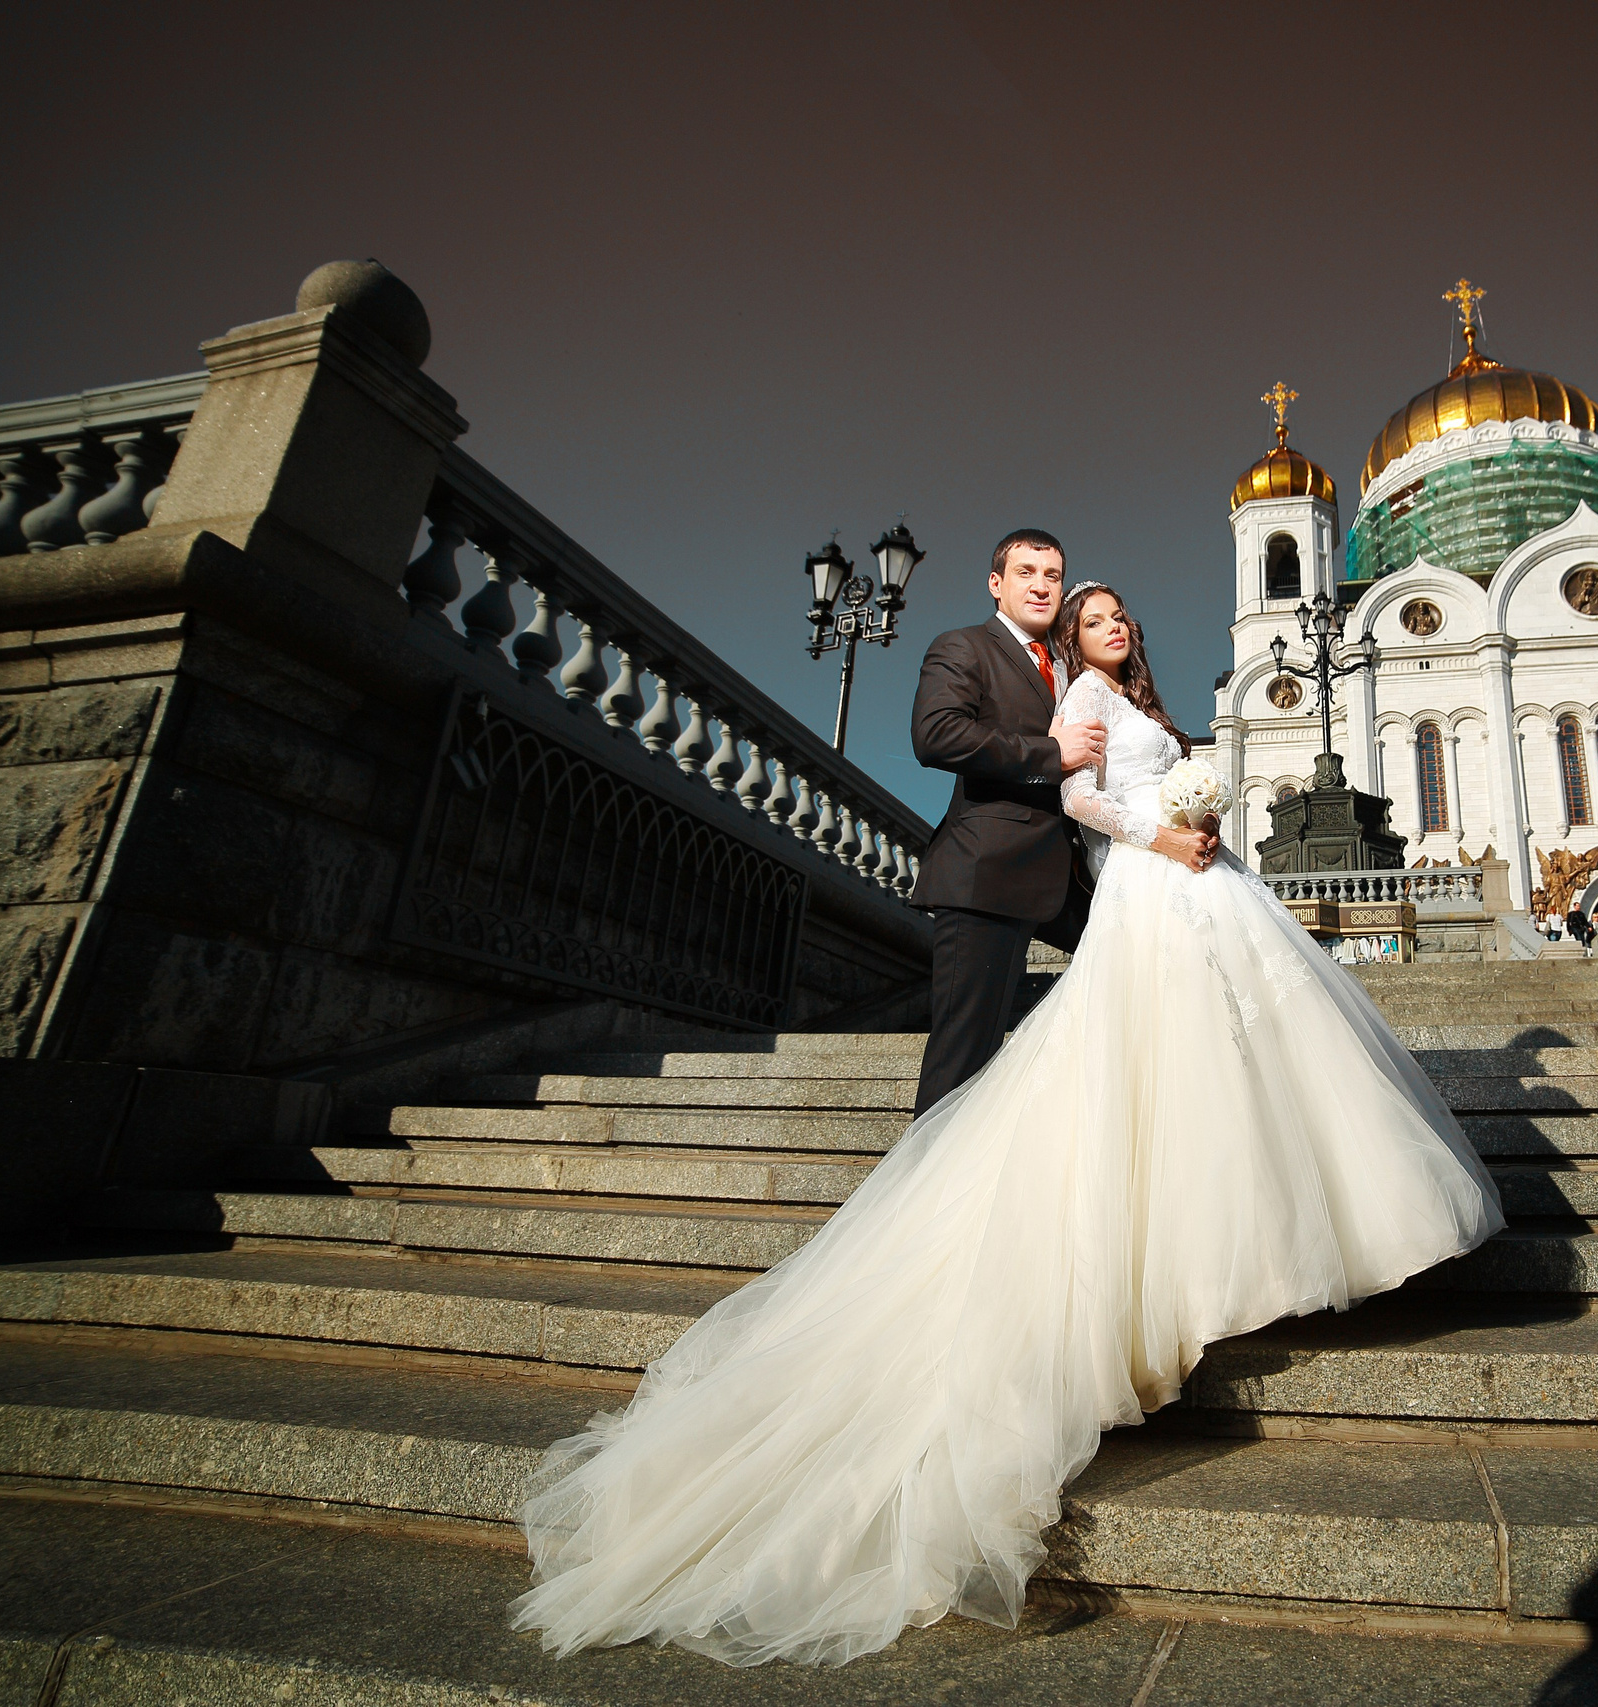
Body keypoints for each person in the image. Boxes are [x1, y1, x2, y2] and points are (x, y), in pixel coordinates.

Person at [509, 580, 1504, 1669]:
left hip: (1197, 885)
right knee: (1156, 1065)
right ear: (1068, 640)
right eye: (1092, 617)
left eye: (1123, 613)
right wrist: (1161, 837)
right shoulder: (1079, 693)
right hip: (1149, 885)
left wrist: (1197, 820)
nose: (1114, 625)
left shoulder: (1149, 703)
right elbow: (1078, 800)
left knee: (1240, 1057)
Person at [902, 528, 1104, 1115]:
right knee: (965, 1057)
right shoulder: (964, 647)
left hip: (1069, 876)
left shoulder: (1070, 666)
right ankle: (924, 1198)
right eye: (1026, 573)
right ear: (996, 584)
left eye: (1052, 576)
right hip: (985, 876)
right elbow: (936, 736)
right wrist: (1049, 753)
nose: (1041, 586)